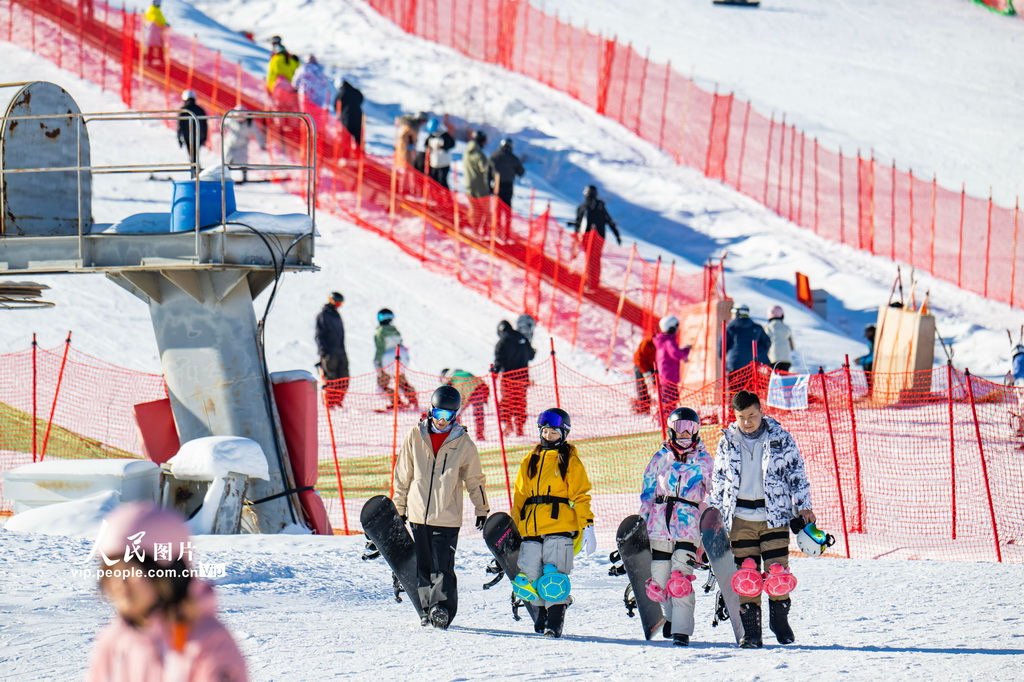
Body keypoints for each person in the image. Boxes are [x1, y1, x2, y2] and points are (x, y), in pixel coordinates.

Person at [87, 502, 248, 681]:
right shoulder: (114, 640)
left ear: (171, 572)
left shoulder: (208, 642)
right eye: (111, 571)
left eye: (131, 571)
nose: (119, 583)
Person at [706, 390, 815, 648]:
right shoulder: (727, 441)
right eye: (742, 417)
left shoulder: (780, 438)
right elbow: (718, 480)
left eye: (752, 415)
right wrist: (713, 514)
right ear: (735, 416)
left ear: (761, 411)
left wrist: (804, 507)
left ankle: (779, 621)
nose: (747, 422)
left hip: (774, 515)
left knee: (778, 573)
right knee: (748, 575)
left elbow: (796, 474)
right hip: (740, 518)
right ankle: (752, 633)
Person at [392, 385, 489, 629]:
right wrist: (399, 508)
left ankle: (443, 609)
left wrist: (482, 509)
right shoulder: (415, 436)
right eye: (438, 415)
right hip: (417, 513)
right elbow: (403, 475)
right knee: (423, 565)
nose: (442, 421)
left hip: (446, 514)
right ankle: (427, 610)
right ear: (430, 411)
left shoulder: (463, 443)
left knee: (442, 566)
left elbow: (475, 479)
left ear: (455, 416)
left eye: (448, 416)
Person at [510, 408, 594, 638]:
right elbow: (519, 498)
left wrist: (587, 525)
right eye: (544, 431)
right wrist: (514, 528)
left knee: (554, 577)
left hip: (559, 527)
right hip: (531, 529)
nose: (548, 436)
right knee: (530, 577)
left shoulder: (569, 460)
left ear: (564, 434)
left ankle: (554, 622)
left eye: (554, 432)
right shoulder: (530, 460)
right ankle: (541, 617)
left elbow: (581, 495)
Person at [638, 406, 713, 646]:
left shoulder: (703, 459)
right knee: (659, 579)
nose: (685, 433)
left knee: (680, 578)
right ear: (671, 429)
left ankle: (682, 631)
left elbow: (714, 491)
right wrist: (641, 519)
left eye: (690, 428)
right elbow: (648, 490)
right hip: (659, 523)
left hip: (689, 525)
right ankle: (670, 617)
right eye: (680, 427)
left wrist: (713, 522)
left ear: (697, 430)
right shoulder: (661, 457)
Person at [568, 185, 622, 293]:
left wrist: (576, 234)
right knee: (595, 260)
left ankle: (591, 284)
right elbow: (609, 221)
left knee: (591, 260)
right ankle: (593, 283)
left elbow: (580, 224)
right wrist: (617, 234)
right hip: (598, 239)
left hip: (589, 239)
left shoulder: (584, 207)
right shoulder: (599, 207)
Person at [494, 319, 535, 437]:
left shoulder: (503, 342)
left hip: (509, 379)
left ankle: (508, 425)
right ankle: (519, 428)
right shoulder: (522, 338)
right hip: (523, 378)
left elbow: (499, 360)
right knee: (520, 402)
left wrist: (495, 372)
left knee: (507, 402)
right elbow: (531, 355)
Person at [374, 308, 417, 409]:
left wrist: (378, 363)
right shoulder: (395, 330)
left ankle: (396, 401)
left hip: (387, 360)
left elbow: (380, 349)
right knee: (402, 381)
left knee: (383, 384)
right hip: (399, 357)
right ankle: (413, 399)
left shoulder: (380, 333)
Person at [653, 316, 691, 422]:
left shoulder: (663, 340)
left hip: (666, 376)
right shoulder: (668, 341)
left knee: (667, 399)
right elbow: (675, 353)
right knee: (670, 400)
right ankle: (667, 420)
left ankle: (666, 419)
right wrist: (686, 351)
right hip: (669, 376)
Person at [315, 292, 348, 409]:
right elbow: (319, 335)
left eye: (340, 303)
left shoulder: (336, 315)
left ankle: (338, 401)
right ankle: (330, 403)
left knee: (344, 378)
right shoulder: (324, 315)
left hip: (340, 351)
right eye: (337, 302)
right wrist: (323, 352)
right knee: (331, 379)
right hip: (329, 353)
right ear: (331, 300)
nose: (339, 305)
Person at [488, 138, 525, 239]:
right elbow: (521, 172)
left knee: (498, 209)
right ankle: (506, 233)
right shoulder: (513, 158)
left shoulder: (494, 156)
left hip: (497, 186)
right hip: (508, 186)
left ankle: (497, 231)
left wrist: (489, 186)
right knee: (507, 210)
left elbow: (488, 172)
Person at [441, 368, 490, 440]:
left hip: (465, 391)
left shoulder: (449, 378)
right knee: (479, 414)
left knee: (456, 413)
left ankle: (457, 435)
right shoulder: (464, 372)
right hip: (479, 389)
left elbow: (444, 391)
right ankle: (480, 435)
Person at [724, 304, 771, 373]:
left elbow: (722, 346)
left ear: (736, 313)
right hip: (754, 365)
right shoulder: (757, 327)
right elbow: (767, 342)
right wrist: (761, 354)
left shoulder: (731, 328)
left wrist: (726, 357)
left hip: (734, 365)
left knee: (735, 384)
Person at [224, 115, 266, 184]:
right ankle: (226, 177)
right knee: (228, 161)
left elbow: (257, 133)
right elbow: (223, 126)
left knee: (243, 161)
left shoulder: (250, 123)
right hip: (230, 144)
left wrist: (261, 144)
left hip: (242, 145)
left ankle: (244, 177)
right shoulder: (231, 120)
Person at [463, 130, 491, 231]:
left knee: (473, 209)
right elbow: (485, 169)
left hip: (469, 184)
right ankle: (486, 230)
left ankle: (474, 228)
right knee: (485, 209)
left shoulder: (467, 152)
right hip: (480, 186)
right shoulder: (479, 154)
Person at [177, 90, 207, 176]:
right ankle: (196, 171)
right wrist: (205, 137)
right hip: (199, 137)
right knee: (194, 155)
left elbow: (180, 126)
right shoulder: (200, 110)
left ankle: (195, 172)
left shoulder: (184, 110)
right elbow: (205, 124)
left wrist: (179, 137)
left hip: (188, 137)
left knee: (192, 156)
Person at [333, 78, 364, 148]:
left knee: (347, 136)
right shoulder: (355, 91)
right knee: (358, 136)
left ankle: (347, 153)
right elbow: (361, 98)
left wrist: (341, 112)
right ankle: (359, 153)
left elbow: (336, 105)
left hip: (347, 118)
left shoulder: (341, 93)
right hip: (358, 116)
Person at [425, 119, 456, 189]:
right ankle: (435, 197)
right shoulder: (431, 136)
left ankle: (447, 198)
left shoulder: (444, 135)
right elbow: (426, 144)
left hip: (444, 164)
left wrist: (443, 146)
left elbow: (452, 144)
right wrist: (429, 148)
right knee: (433, 182)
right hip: (434, 163)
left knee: (442, 182)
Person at [632, 329, 657, 414]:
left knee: (656, 385)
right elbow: (639, 359)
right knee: (642, 386)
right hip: (641, 367)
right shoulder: (646, 344)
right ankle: (643, 406)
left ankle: (658, 406)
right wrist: (646, 373)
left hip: (653, 367)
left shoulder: (661, 344)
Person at [765, 305, 795, 373]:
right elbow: (792, 346)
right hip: (786, 359)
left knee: (773, 380)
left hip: (772, 358)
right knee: (784, 379)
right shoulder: (787, 328)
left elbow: (765, 343)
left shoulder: (767, 328)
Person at [143, 0, 169, 69]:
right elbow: (157, 19)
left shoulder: (154, 10)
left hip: (154, 32)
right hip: (154, 32)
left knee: (154, 46)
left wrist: (164, 23)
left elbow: (160, 19)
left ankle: (155, 60)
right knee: (155, 46)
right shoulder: (153, 10)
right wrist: (164, 24)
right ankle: (154, 60)